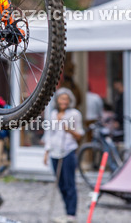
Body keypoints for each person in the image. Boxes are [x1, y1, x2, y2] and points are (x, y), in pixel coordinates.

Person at [43, 88, 84, 223]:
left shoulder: (75, 114)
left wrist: (70, 130)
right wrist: (46, 152)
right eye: (61, 99)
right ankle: (67, 213)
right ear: (57, 100)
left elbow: (80, 135)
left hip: (68, 151)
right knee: (60, 184)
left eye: (66, 99)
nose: (63, 101)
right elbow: (49, 134)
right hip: (55, 152)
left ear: (70, 101)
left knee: (69, 184)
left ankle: (71, 214)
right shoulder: (53, 114)